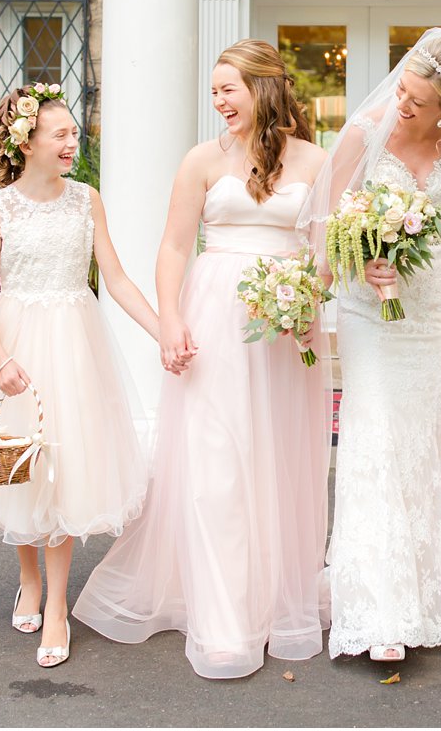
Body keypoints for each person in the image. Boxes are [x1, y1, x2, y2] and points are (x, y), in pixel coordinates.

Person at [74, 40, 332, 680]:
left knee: (277, 460)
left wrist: (308, 302)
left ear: (264, 89)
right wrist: (170, 321)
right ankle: (223, 619)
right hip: (214, 318)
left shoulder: (318, 162)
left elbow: (325, 251)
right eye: (214, 91)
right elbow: (171, 249)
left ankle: (274, 601)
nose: (218, 102)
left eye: (228, 89)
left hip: (284, 325)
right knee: (217, 465)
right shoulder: (200, 161)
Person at [0, 83, 156, 669]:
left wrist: (164, 331)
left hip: (76, 343)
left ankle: (56, 606)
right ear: (26, 141)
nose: (71, 142)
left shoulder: (87, 200)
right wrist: (1, 358)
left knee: (66, 469)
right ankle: (27, 575)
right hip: (16, 343)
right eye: (60, 134)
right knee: (20, 465)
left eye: (74, 132)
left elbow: (117, 278)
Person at [300, 28, 441, 664]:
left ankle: (426, 592)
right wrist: (358, 268)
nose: (402, 106)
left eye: (417, 100)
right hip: (368, 310)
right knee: (375, 435)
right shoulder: (366, 132)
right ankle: (375, 607)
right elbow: (328, 227)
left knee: (423, 438)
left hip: (430, 307)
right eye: (403, 91)